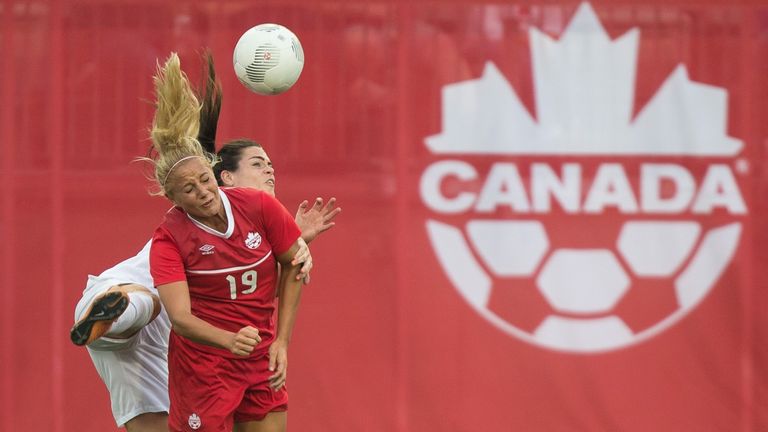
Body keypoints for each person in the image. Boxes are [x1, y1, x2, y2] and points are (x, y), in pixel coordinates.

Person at [70, 52, 340, 432]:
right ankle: (112, 313)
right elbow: (183, 314)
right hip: (137, 303)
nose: (271, 169)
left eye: (270, 163)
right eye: (259, 164)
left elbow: (258, 271)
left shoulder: (253, 212)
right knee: (143, 303)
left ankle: (112, 316)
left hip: (182, 340)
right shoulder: (175, 235)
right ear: (225, 176)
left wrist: (295, 245)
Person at [146, 51, 310, 432]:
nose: (203, 192)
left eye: (204, 179)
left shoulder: (257, 205)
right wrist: (229, 339)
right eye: (188, 189)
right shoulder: (169, 238)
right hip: (205, 368)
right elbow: (181, 318)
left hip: (260, 356)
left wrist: (282, 341)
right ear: (174, 199)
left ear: (214, 173)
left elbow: (294, 263)